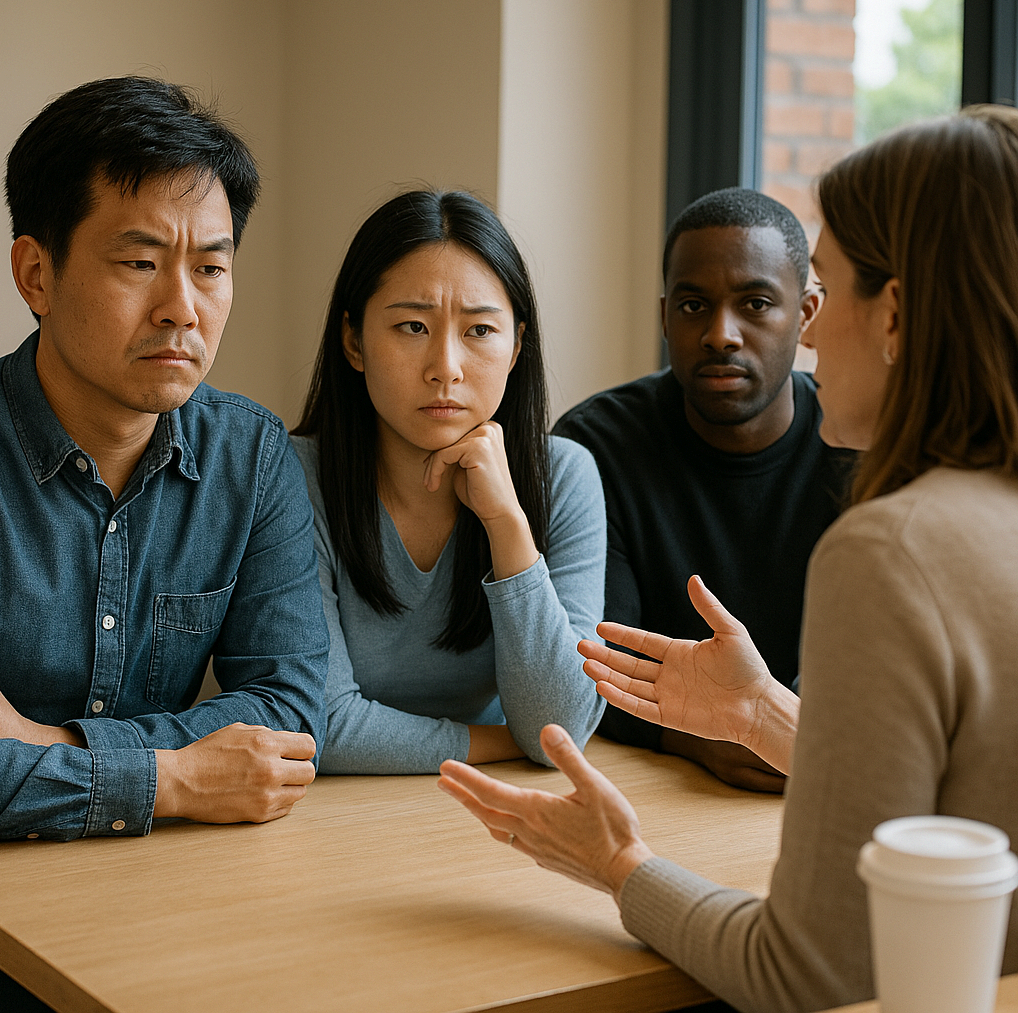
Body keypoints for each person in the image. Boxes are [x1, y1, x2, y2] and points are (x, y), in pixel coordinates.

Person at [439, 104, 1018, 1012]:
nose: (811, 339)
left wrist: (616, 863)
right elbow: (957, 828)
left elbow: (807, 975)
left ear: (893, 312)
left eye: (819, 293)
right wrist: (766, 714)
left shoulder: (892, 550)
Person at [0, 77, 329, 847]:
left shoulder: (250, 453)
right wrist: (173, 780)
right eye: (141, 263)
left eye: (210, 268)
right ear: (36, 275)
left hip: (160, 895)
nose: (182, 307)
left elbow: (289, 710)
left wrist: (50, 748)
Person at [292, 190, 605, 773]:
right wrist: (504, 745)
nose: (446, 367)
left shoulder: (565, 476)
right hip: (328, 821)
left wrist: (507, 524)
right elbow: (321, 724)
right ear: (354, 340)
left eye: (480, 330)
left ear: (516, 347)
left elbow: (559, 729)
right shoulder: (294, 478)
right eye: (412, 326)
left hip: (493, 822)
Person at [553, 187, 851, 792]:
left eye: (756, 303)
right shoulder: (593, 447)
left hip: (830, 775)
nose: (721, 334)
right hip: (657, 782)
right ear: (665, 316)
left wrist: (774, 728)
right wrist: (696, 734)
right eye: (693, 306)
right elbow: (590, 664)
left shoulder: (860, 449)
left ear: (807, 314)